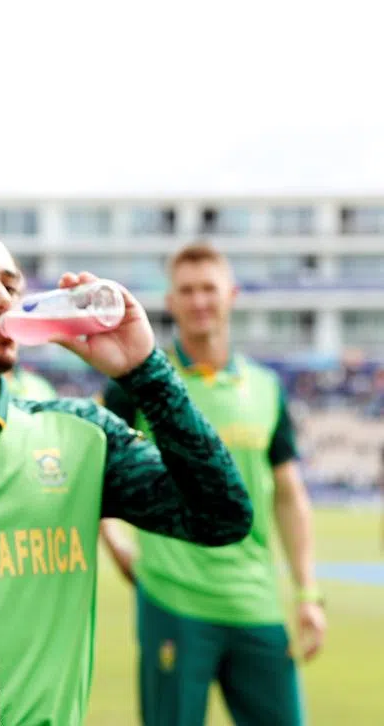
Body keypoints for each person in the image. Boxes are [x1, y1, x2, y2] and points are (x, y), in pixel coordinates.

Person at [0, 224, 253, 726]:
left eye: (11, 286)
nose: (3, 301)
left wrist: (145, 369)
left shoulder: (81, 434)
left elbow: (223, 517)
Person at [100, 241, 326, 726]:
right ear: (171, 301)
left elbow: (289, 494)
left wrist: (307, 594)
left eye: (209, 288)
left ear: (232, 294)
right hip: (173, 598)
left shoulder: (266, 387)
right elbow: (95, 466)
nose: (200, 301)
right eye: (187, 290)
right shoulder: (138, 381)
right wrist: (114, 540)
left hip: (256, 599)